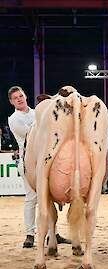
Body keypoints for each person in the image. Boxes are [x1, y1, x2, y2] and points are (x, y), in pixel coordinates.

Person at [8, 86, 70, 248]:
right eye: (15, 98)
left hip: (46, 161)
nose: (19, 99)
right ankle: (30, 234)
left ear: (25, 96)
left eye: (21, 95)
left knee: (49, 197)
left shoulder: (38, 111)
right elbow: (34, 134)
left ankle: (53, 234)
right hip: (29, 162)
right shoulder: (14, 119)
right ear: (11, 102)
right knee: (32, 198)